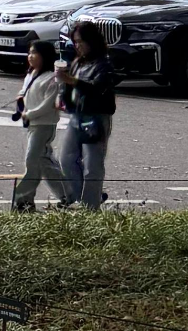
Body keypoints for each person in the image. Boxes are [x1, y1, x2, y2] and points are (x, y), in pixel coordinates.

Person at [56, 19, 118, 209]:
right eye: (75, 42)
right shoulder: (78, 62)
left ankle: (90, 207)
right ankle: (82, 198)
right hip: (77, 115)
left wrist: (72, 81)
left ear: (92, 41)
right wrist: (63, 97)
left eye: (80, 41)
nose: (77, 46)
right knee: (66, 159)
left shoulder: (103, 64)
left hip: (96, 118)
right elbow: (70, 87)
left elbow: (98, 88)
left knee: (92, 164)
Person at [10, 39, 67, 211]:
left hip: (44, 125)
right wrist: (20, 101)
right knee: (44, 163)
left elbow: (47, 105)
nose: (30, 56)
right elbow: (24, 92)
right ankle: (68, 194)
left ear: (45, 56)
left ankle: (24, 199)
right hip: (32, 124)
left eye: (34, 53)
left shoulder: (52, 79)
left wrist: (28, 114)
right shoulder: (32, 74)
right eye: (29, 53)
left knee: (32, 160)